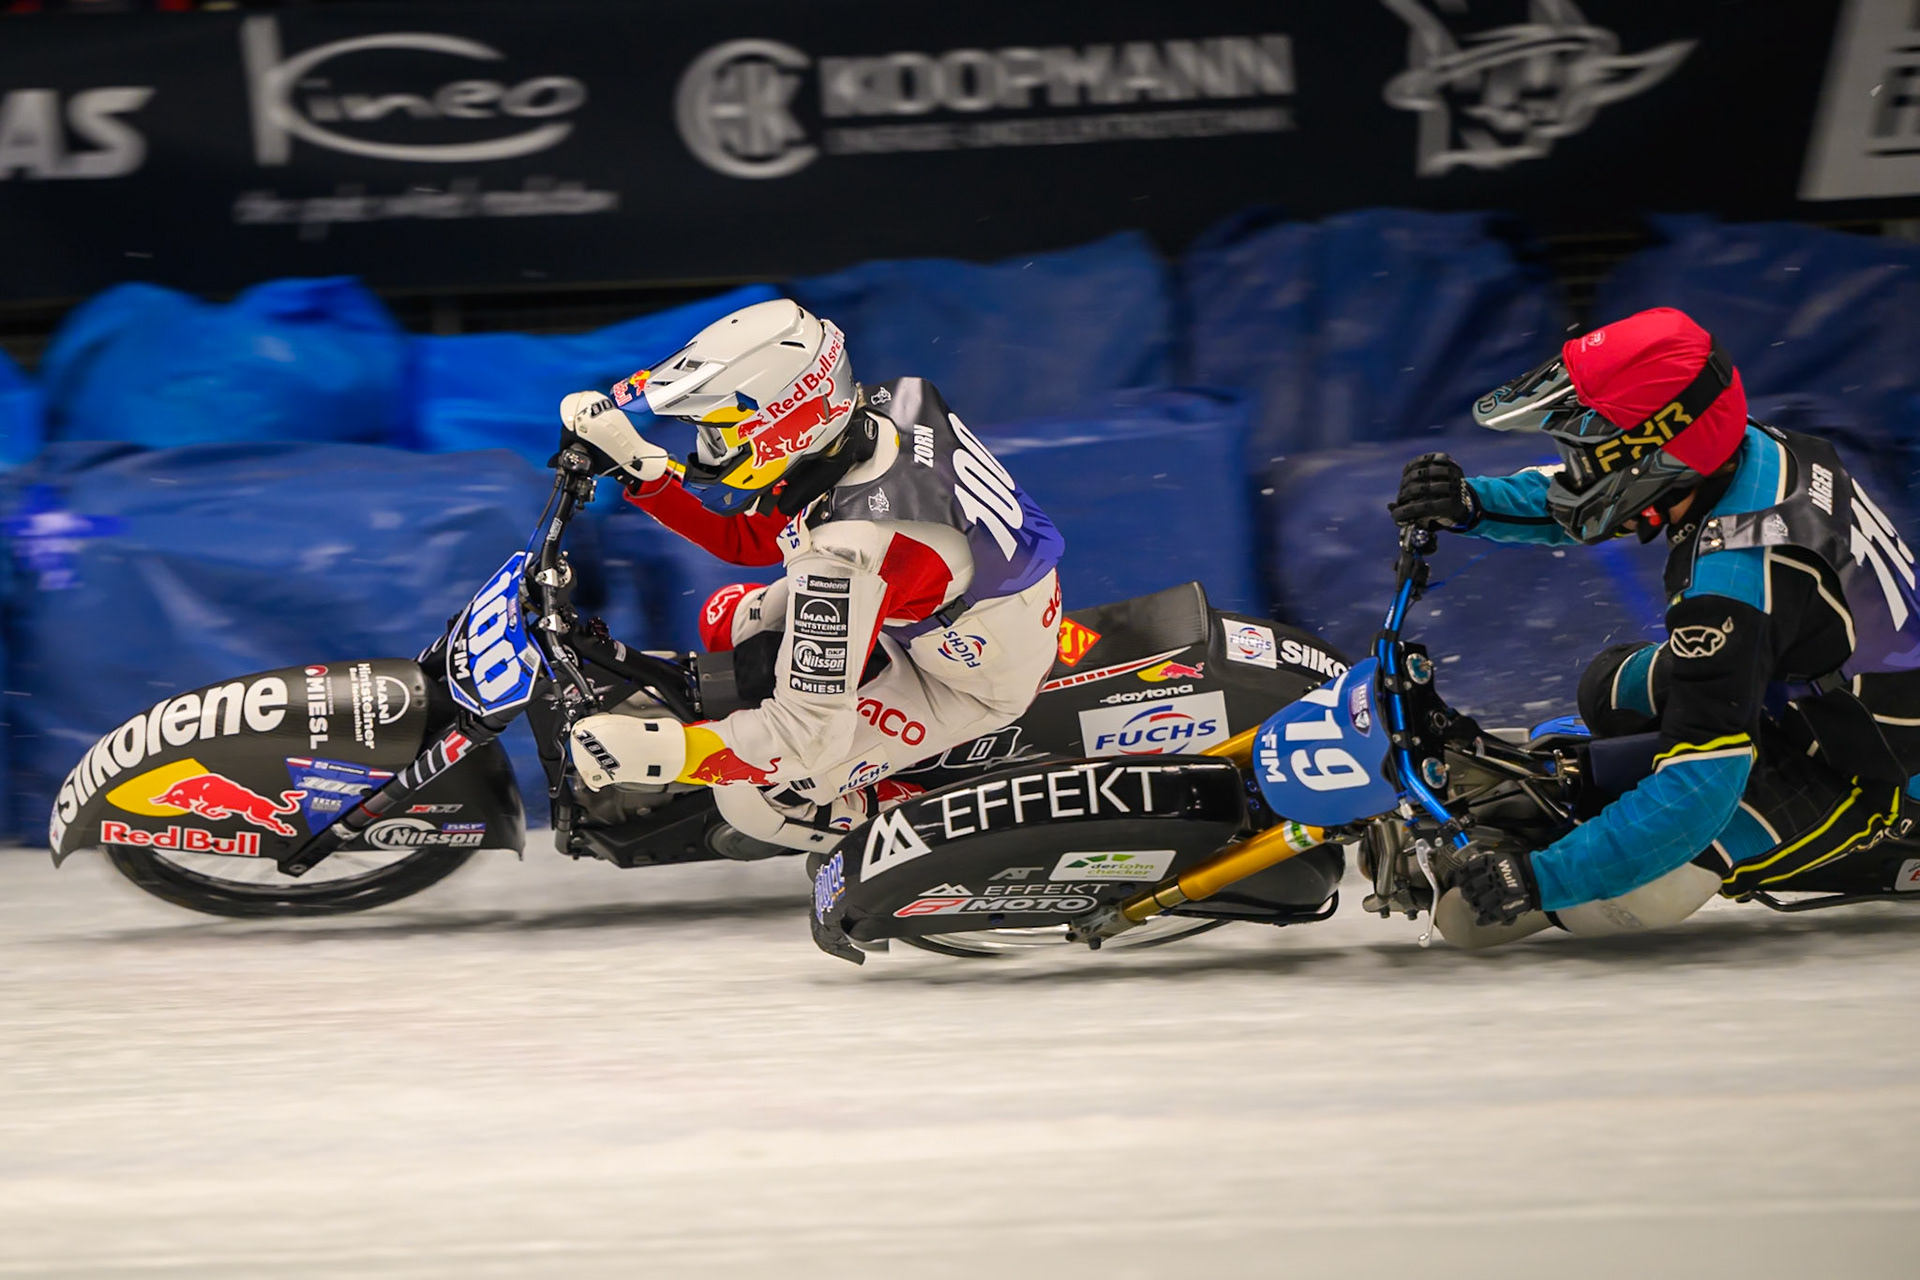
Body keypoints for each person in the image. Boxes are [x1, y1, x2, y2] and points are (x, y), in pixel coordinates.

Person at [1388, 306, 1920, 948]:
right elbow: (1608, 492)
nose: (1574, 467)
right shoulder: (1749, 448)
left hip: (1865, 775)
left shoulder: (1735, 583)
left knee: (1632, 893)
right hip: (1807, 680)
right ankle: (1601, 782)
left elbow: (1698, 795)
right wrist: (1474, 503)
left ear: (1658, 450)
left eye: (1585, 452)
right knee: (1606, 688)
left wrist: (1538, 880)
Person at [555, 298, 1064, 849]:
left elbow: (807, 736)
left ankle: (892, 817)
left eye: (718, 433)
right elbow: (747, 538)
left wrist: (665, 755)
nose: (706, 449)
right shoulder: (882, 412)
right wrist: (641, 470)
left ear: (784, 423)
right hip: (962, 615)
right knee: (728, 621)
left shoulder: (845, 550)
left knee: (753, 796)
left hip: (967, 684)